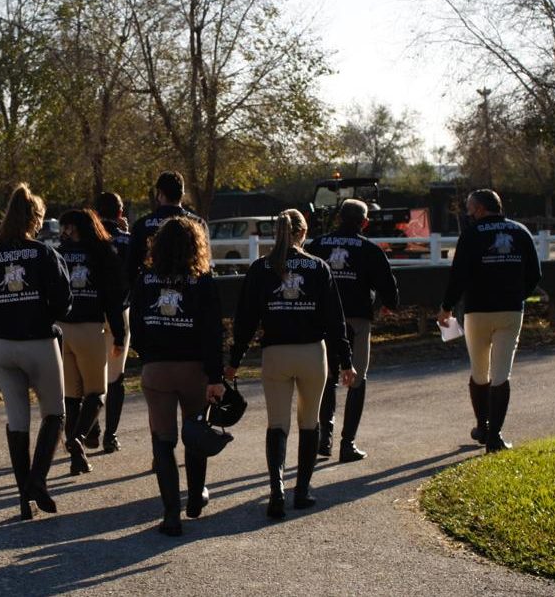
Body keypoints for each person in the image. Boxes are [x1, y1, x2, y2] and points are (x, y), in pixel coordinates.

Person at [228, 209, 356, 518]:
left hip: (276, 354)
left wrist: (233, 360)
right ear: (303, 233)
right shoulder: (318, 267)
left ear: (277, 233)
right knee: (309, 422)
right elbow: (334, 320)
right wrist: (346, 361)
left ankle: (276, 491)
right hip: (312, 353)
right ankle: (302, 491)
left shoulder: (260, 268)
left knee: (277, 425)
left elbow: (245, 320)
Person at [0, 183, 72, 520]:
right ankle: (38, 482)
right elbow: (63, 302)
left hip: (3, 345)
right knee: (54, 413)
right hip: (38, 342)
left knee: (17, 420)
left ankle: (22, 499)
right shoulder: (44, 254)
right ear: (35, 219)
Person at [130, 216, 225, 537]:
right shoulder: (203, 281)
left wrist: (147, 355)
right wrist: (215, 375)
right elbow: (213, 331)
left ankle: (171, 513)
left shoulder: (145, 279)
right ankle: (196, 494)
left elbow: (137, 325)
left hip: (157, 368)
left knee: (163, 439)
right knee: (195, 429)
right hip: (194, 369)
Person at [438, 189, 541, 453]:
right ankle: (494, 436)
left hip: (477, 311)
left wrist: (446, 307)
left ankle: (482, 425)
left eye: (470, 208)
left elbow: (458, 275)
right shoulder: (520, 231)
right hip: (510, 311)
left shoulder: (471, 234)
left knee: (479, 372)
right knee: (501, 374)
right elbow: (535, 274)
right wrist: (518, 295)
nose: (468, 213)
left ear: (481, 209)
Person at [308, 199, 399, 462]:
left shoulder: (317, 245)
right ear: (365, 222)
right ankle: (348, 444)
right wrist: (389, 304)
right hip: (357, 321)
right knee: (356, 379)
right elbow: (388, 288)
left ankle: (324, 438)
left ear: (338, 218)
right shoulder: (370, 249)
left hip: (323, 321)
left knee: (327, 378)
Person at [56, 208, 126, 475]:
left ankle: (77, 457)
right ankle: (78, 438)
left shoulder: (60, 253)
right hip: (90, 327)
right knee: (97, 392)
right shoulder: (103, 252)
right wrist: (119, 335)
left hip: (62, 329)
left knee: (72, 396)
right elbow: (113, 299)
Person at [83, 191, 132, 454]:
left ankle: (92, 427)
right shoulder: (127, 241)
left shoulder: (86, 241)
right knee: (115, 377)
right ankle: (110, 434)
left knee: (89, 374)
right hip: (120, 310)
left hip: (89, 312)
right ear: (120, 213)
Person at [127, 171, 204, 283]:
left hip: (150, 290)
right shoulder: (197, 223)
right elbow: (204, 264)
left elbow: (131, 265)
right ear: (182, 194)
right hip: (189, 289)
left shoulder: (142, 225)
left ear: (160, 194)